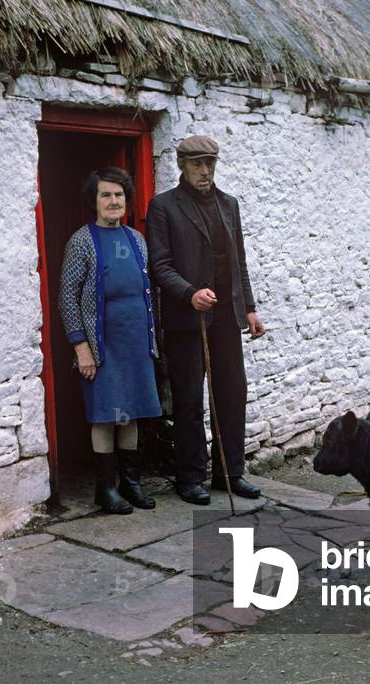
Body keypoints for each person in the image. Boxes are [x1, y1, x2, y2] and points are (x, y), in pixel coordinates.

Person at [147, 135, 266, 505]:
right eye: (197, 164)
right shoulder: (163, 207)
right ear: (182, 165)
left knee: (232, 394)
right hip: (187, 320)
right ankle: (190, 476)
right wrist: (188, 293)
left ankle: (229, 472)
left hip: (227, 318)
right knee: (188, 399)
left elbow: (238, 263)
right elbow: (160, 265)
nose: (204, 171)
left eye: (210, 164)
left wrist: (248, 307)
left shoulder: (229, 205)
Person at [59, 167, 162, 515]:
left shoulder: (136, 239)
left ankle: (130, 484)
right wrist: (81, 346)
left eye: (119, 194)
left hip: (135, 342)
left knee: (129, 411)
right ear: (95, 200)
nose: (113, 201)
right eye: (106, 194)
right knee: (105, 414)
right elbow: (67, 298)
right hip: (101, 345)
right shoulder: (82, 240)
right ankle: (105, 489)